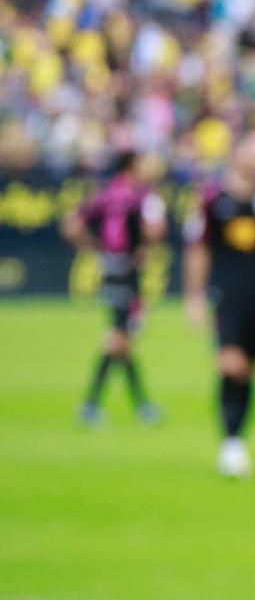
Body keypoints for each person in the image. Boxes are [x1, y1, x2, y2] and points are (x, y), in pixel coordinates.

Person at [185, 132, 255, 479]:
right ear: (238, 155)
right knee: (230, 364)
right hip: (225, 292)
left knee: (249, 368)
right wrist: (196, 295)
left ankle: (237, 440)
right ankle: (230, 442)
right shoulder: (212, 196)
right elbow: (199, 249)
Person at [63, 149, 167, 426]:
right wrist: (146, 246)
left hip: (110, 269)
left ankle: (142, 406)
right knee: (118, 339)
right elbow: (156, 230)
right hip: (127, 272)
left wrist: (94, 248)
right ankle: (93, 405)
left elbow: (71, 226)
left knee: (124, 341)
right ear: (132, 166)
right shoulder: (141, 196)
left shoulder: (105, 193)